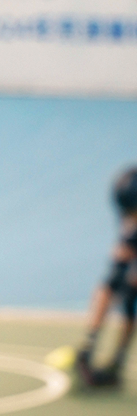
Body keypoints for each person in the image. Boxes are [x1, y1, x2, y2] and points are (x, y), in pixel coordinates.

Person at [75, 166, 136, 388]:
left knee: (130, 295)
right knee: (115, 281)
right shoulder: (128, 210)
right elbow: (120, 259)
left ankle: (115, 361)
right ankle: (89, 348)